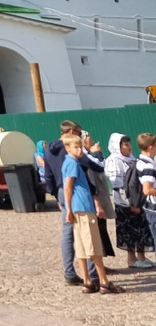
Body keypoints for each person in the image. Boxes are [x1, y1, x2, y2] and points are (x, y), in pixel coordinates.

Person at [44, 120, 104, 285]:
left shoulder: (49, 150)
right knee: (86, 231)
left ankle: (69, 272)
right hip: (77, 191)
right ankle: (93, 275)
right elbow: (96, 167)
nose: (80, 136)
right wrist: (96, 153)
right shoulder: (72, 149)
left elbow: (48, 175)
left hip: (61, 191)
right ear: (71, 132)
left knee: (68, 234)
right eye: (79, 132)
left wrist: (56, 195)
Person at [62, 133, 122, 293]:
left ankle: (87, 281)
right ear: (67, 148)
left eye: (81, 147)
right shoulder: (73, 163)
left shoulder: (70, 162)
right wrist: (68, 209)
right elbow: (68, 187)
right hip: (83, 206)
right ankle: (103, 281)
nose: (80, 150)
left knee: (82, 246)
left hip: (79, 207)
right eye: (76, 147)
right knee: (93, 245)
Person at [105, 133, 153, 268]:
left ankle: (142, 257)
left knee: (141, 229)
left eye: (129, 144)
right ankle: (131, 259)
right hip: (125, 203)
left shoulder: (131, 159)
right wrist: (131, 203)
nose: (129, 147)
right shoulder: (114, 161)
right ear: (117, 147)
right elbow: (118, 185)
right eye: (125, 145)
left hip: (137, 201)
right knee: (129, 231)